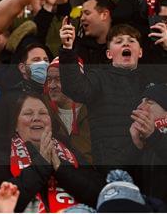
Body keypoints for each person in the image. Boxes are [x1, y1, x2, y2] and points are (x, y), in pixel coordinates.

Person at [59, 21, 167, 172]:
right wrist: (67, 49)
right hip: (113, 167)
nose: (125, 44)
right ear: (109, 53)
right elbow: (75, 89)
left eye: (131, 41)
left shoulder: (151, 78)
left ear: (140, 52)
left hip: (150, 166)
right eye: (118, 41)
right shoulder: (99, 77)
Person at [0, 92, 103, 212]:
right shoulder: (2, 150)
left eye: (43, 113)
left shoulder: (67, 147)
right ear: (16, 125)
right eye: (28, 114)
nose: (36, 118)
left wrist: (62, 169)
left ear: (50, 121)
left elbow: (99, 193)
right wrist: (41, 166)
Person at [45, 58, 92, 163]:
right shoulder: (43, 112)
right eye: (49, 80)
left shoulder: (94, 112)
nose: (51, 86)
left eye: (58, 79)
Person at [129, 83, 167, 203]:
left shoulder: (155, 139)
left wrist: (153, 137)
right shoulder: (146, 142)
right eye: (141, 101)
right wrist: (137, 146)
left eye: (149, 102)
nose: (140, 107)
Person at [75, 0, 115, 66]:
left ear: (104, 15)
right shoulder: (78, 47)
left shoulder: (123, 48)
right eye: (81, 14)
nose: (82, 18)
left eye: (87, 13)